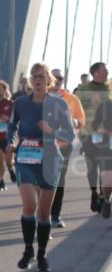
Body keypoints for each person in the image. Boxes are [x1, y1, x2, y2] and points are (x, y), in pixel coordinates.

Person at [6, 63, 75, 272]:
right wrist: (11, 141)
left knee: (44, 213)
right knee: (29, 205)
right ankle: (28, 250)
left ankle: (42, 254)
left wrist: (51, 131)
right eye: (34, 76)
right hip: (25, 158)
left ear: (48, 81)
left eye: (41, 76)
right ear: (30, 80)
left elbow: (70, 135)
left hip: (50, 161)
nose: (37, 79)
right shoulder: (20, 103)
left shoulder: (59, 104)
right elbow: (12, 126)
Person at [48, 67, 86, 227]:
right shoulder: (40, 97)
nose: (57, 81)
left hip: (63, 146)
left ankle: (55, 215)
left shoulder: (72, 99)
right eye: (54, 78)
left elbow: (81, 120)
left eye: (60, 79)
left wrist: (72, 122)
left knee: (59, 180)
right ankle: (42, 214)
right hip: (43, 145)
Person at [77, 62, 112, 213]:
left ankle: (104, 196)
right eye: (105, 70)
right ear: (95, 72)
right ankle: (94, 193)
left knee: (105, 167)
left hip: (107, 134)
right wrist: (90, 101)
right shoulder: (84, 89)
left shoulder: (109, 88)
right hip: (88, 134)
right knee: (92, 167)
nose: (108, 72)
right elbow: (76, 110)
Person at [89, 95, 112, 218]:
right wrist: (106, 131)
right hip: (108, 147)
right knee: (108, 180)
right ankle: (107, 199)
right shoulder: (105, 106)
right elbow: (95, 124)